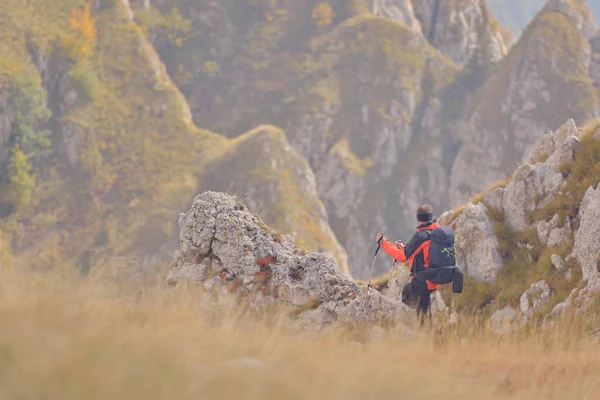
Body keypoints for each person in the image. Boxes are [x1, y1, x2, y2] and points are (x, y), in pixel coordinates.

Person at [376, 204, 441, 324]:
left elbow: (402, 257)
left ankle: (410, 326)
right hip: (434, 278)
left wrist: (384, 243)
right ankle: (429, 333)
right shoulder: (436, 231)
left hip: (424, 281)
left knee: (409, 295)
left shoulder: (421, 236)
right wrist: (405, 249)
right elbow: (423, 254)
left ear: (418, 218)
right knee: (424, 310)